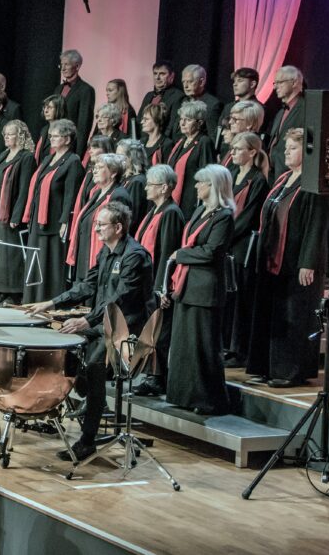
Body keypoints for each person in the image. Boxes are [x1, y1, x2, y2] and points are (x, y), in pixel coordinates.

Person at [29, 201, 155, 459]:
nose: (95, 228)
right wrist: (52, 303)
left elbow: (119, 299)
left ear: (118, 227)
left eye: (101, 224)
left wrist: (87, 321)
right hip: (102, 324)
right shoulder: (106, 253)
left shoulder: (135, 256)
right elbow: (87, 286)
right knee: (63, 344)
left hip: (127, 330)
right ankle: (87, 403)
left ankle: (87, 441)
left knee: (94, 367)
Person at [247, 129, 327, 388]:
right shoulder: (283, 179)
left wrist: (309, 262)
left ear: (305, 152)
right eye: (286, 148)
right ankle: (268, 366)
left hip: (296, 262)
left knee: (294, 315)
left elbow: (317, 226)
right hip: (274, 259)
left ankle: (291, 370)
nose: (286, 153)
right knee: (272, 313)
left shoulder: (312, 183)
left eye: (292, 148)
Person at [161, 165, 234, 414]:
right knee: (185, 346)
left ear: (212, 186)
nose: (196, 187)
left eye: (200, 182)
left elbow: (212, 252)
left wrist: (180, 254)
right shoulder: (200, 212)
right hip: (188, 285)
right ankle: (184, 396)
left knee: (203, 346)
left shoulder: (223, 216)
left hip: (205, 289)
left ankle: (208, 400)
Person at [131, 165, 185, 397]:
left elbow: (168, 253)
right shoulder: (155, 210)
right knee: (152, 328)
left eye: (150, 185)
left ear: (164, 188)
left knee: (160, 331)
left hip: (160, 283)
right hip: (148, 281)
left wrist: (162, 287)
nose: (145, 188)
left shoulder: (171, 212)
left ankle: (158, 377)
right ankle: (151, 373)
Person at [221, 132, 269, 370]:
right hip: (226, 243)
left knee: (240, 298)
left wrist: (225, 234)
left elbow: (249, 216)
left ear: (252, 152)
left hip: (240, 246)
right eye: (233, 148)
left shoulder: (258, 180)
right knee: (228, 298)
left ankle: (238, 349)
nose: (233, 152)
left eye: (239, 149)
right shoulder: (230, 175)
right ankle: (226, 345)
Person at [22, 120, 84, 302]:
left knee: (51, 264)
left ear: (66, 138)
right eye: (51, 136)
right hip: (38, 221)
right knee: (35, 261)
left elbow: (71, 195)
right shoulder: (48, 158)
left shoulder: (73, 162)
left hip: (55, 222)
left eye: (55, 136)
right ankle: (32, 300)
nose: (51, 139)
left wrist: (65, 220)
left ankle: (49, 303)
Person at [0, 120, 35, 301]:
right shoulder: (3, 154)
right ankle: (2, 290)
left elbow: (24, 189)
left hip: (11, 215)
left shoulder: (26, 157)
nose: (6, 137)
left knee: (11, 255)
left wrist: (17, 215)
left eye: (10, 134)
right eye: (5, 134)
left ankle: (14, 291)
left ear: (20, 136)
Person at [66, 153, 132, 283]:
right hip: (85, 257)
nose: (94, 170)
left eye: (100, 167)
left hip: (101, 262)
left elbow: (117, 233)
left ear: (113, 173)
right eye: (94, 167)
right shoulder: (97, 193)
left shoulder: (118, 195)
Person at [166, 100, 217, 218]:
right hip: (174, 199)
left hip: (189, 203)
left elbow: (207, 176)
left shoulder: (204, 142)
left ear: (199, 123)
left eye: (188, 120)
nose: (182, 123)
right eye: (181, 119)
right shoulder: (180, 142)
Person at [266, 65, 306, 179]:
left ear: (293, 83)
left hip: (290, 173)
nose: (275, 87)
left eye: (279, 82)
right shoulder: (280, 113)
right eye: (275, 83)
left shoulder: (307, 108)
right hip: (273, 173)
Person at [54, 49, 95, 157]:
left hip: (71, 145)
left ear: (76, 66)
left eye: (66, 64)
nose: (62, 68)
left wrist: (79, 152)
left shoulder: (86, 90)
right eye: (61, 64)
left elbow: (84, 124)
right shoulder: (58, 89)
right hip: (53, 142)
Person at [173, 64, 222, 140]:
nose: (185, 86)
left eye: (190, 81)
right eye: (183, 82)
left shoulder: (212, 104)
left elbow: (212, 137)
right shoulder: (182, 101)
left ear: (201, 82)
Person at [138, 61, 185, 138]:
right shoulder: (148, 95)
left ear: (171, 76)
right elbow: (139, 120)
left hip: (162, 144)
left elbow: (172, 126)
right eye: (155, 73)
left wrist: (160, 143)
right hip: (143, 141)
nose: (157, 77)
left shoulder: (178, 96)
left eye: (162, 74)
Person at [217, 67, 261, 140]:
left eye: (240, 81)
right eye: (234, 81)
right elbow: (219, 133)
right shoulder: (228, 107)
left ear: (252, 84)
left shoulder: (259, 109)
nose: (234, 84)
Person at [117, 139, 149, 229]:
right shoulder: (125, 178)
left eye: (120, 155)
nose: (116, 159)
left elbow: (133, 215)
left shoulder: (137, 182)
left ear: (131, 157)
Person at [34, 94, 67, 163]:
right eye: (45, 107)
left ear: (59, 109)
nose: (45, 110)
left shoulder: (65, 132)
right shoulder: (44, 129)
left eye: (49, 107)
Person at [140, 102, 173, 167]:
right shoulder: (141, 142)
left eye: (146, 119)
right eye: (142, 119)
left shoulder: (166, 144)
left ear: (157, 120)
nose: (142, 122)